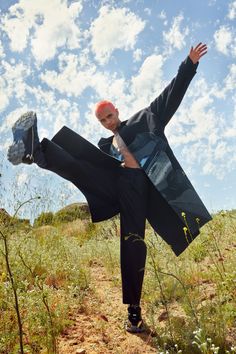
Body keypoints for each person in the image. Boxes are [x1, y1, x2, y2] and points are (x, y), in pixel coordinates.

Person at [7, 43, 211, 333]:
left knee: (132, 243)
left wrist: (188, 64)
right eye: (102, 120)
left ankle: (134, 312)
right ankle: (34, 151)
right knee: (80, 165)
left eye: (109, 116)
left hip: (145, 188)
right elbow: (91, 162)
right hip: (118, 183)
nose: (106, 123)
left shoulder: (146, 119)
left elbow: (172, 94)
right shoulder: (107, 145)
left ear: (117, 110)